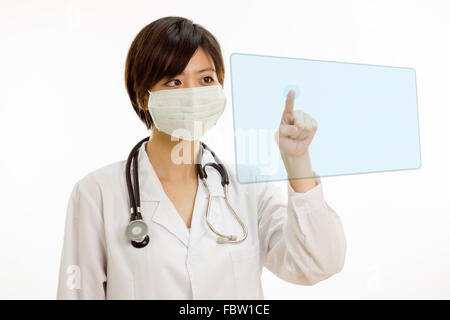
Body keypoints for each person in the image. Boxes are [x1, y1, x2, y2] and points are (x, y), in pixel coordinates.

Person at [56, 16, 346, 300]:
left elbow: (317, 264)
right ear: (143, 96)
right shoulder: (97, 193)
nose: (194, 95)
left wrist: (298, 162)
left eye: (206, 79)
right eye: (174, 82)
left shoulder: (248, 188)